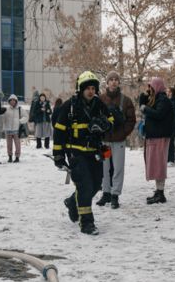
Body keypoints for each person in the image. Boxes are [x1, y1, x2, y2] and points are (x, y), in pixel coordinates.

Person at [52, 71, 113, 235]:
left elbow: (112, 120)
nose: (91, 91)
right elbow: (59, 131)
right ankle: (87, 223)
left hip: (95, 153)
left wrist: (104, 124)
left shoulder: (99, 104)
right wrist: (58, 155)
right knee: (85, 186)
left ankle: (73, 202)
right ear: (81, 89)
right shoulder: (69, 106)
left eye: (93, 88)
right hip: (76, 154)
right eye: (88, 88)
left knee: (96, 185)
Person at [95, 71, 136, 209]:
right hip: (105, 141)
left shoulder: (126, 100)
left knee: (118, 168)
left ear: (119, 82)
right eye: (111, 79)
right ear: (107, 83)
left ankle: (115, 195)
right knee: (104, 167)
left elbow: (131, 120)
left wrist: (123, 133)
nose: (113, 82)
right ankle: (106, 193)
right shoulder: (100, 99)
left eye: (116, 79)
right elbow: (95, 118)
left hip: (118, 141)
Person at [140, 77, 174, 204]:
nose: (149, 89)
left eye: (151, 87)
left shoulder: (163, 100)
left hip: (159, 137)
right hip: (154, 136)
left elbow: (158, 114)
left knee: (158, 165)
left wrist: (145, 108)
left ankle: (161, 193)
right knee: (154, 164)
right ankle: (159, 191)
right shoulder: (156, 99)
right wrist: (143, 100)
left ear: (157, 86)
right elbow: (144, 109)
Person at [1, 94, 28, 163]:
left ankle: (17, 157)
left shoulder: (19, 109)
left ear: (16, 101)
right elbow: (1, 117)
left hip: (16, 129)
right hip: (8, 129)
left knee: (17, 144)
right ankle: (10, 157)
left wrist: (20, 121)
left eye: (14, 100)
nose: (12, 102)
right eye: (11, 100)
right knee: (9, 144)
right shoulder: (6, 109)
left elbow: (26, 116)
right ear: (9, 101)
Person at [166, 86, 175, 166]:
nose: (167, 93)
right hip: (169, 125)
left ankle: (171, 160)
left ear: (172, 93)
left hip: (172, 126)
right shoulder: (169, 101)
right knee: (168, 142)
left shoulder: (173, 102)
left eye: (169, 91)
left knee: (170, 142)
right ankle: (168, 159)